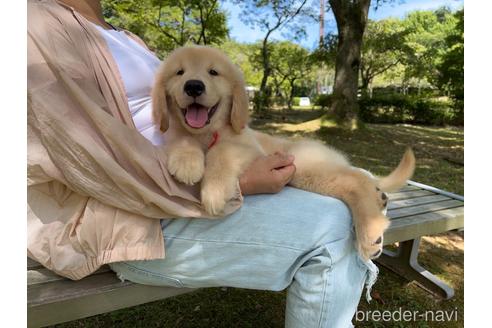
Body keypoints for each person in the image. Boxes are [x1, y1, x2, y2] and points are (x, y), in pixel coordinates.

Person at [27, 0, 378, 326]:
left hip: (184, 184)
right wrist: (238, 183)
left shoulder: (122, 35)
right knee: (332, 229)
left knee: (347, 186)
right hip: (129, 218)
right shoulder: (31, 23)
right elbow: (87, 158)